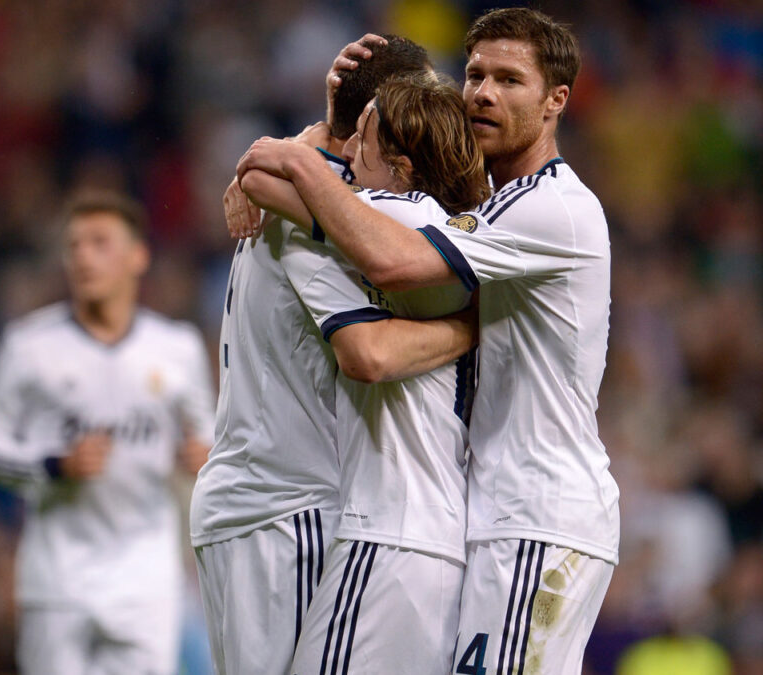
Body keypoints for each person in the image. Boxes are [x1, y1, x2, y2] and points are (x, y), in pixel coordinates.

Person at [237, 9, 619, 673]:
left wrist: (288, 159)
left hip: (536, 512)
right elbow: (376, 207)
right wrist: (308, 146)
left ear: (556, 100)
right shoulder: (493, 206)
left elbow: (392, 257)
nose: (484, 93)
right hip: (493, 514)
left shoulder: (549, 207)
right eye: (474, 74)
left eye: (510, 80)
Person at [191, 38, 474, 675]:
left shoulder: (302, 192)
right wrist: (471, 329)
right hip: (291, 507)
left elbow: (268, 166)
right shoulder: (337, 217)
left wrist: (314, 134)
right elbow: (368, 350)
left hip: (248, 497)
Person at [0, 190, 215, 675]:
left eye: (99, 243)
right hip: (57, 573)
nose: (82, 256)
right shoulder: (27, 345)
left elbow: (211, 444)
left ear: (138, 256)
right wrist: (51, 464)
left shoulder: (176, 348)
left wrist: (200, 458)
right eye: (73, 245)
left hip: (145, 573)